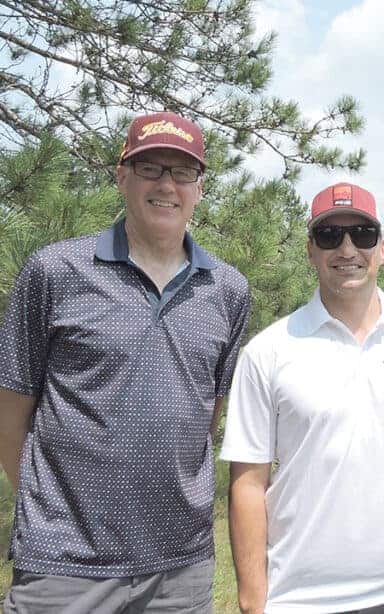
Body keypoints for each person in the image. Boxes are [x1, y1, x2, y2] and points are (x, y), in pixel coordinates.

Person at [0, 111, 252, 613]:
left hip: (181, 567)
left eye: (182, 172)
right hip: (63, 565)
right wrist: (48, 510)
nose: (166, 185)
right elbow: (10, 412)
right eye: (150, 168)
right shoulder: (55, 270)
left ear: (199, 188)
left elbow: (208, 415)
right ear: (121, 177)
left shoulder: (227, 290)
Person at [221, 181, 384, 614]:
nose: (347, 249)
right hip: (299, 599)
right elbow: (248, 483)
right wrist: (253, 600)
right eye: (330, 236)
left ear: (383, 248)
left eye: (362, 235)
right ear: (311, 251)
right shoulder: (268, 351)